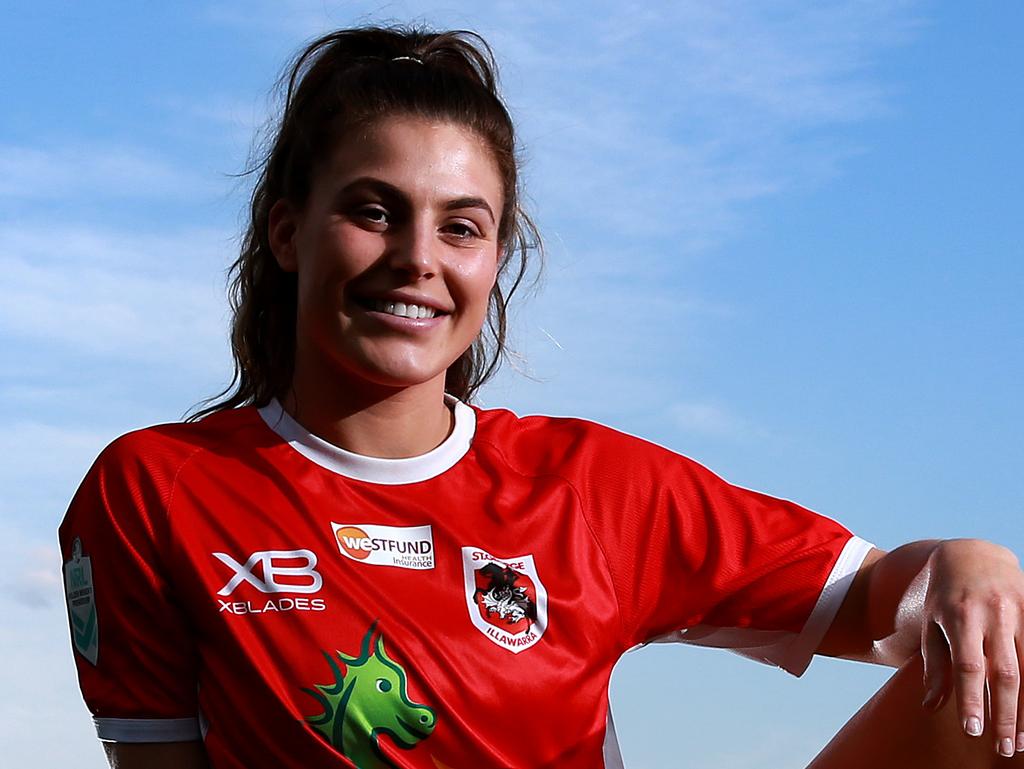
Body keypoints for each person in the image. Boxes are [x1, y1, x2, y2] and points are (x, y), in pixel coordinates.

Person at [58, 24, 1024, 769]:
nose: (417, 260)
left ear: (495, 260)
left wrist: (969, 559)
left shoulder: (590, 485)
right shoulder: (155, 490)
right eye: (372, 210)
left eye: (462, 227)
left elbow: (878, 598)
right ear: (286, 232)